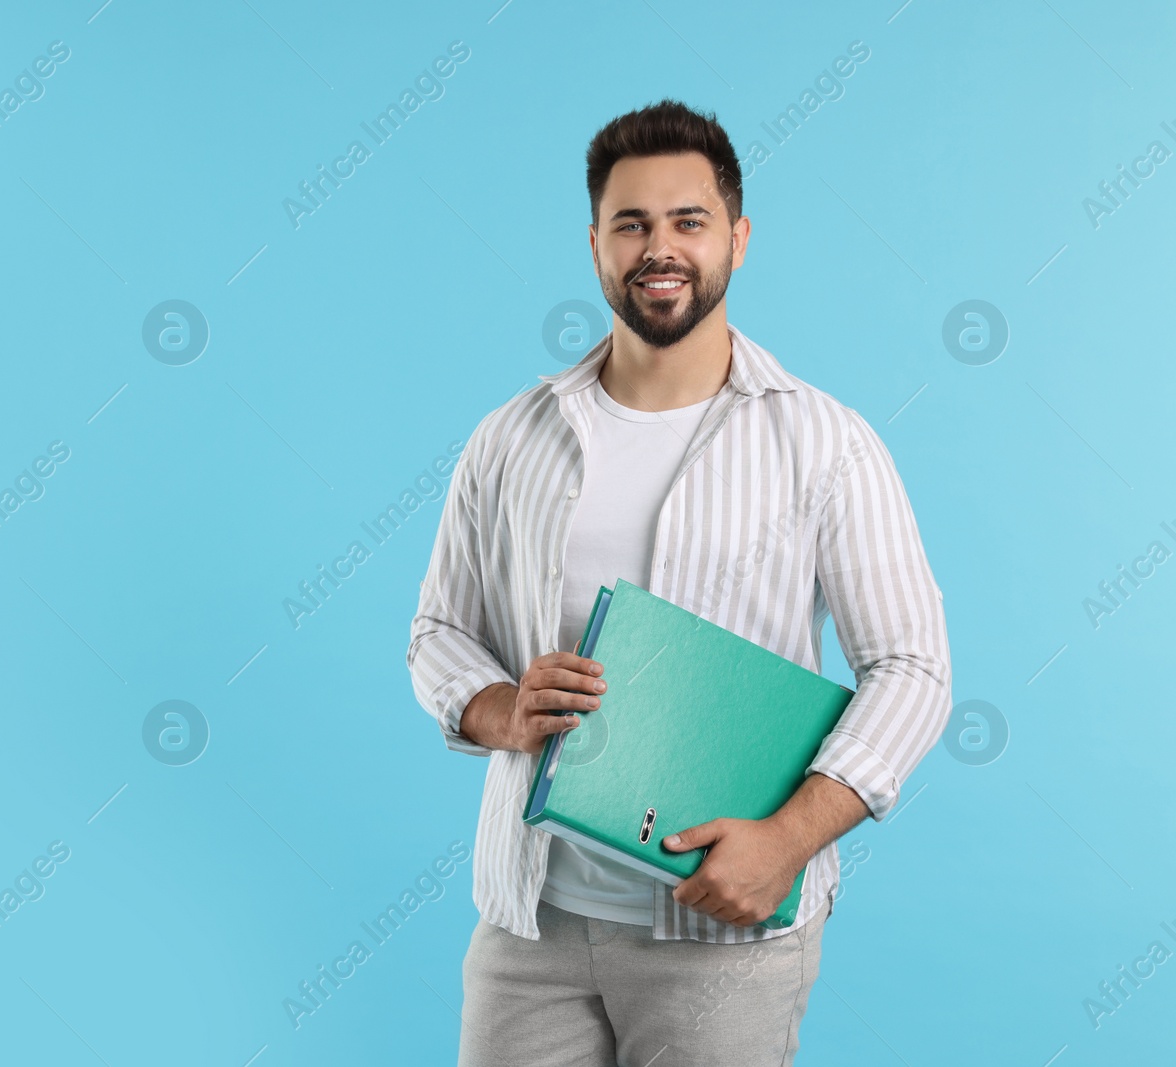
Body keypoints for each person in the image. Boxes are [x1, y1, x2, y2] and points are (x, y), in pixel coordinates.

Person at [406, 99, 952, 1066]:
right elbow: (439, 630)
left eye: (688, 220)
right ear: (595, 246)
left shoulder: (826, 443)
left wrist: (788, 839)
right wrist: (498, 707)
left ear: (738, 238)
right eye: (632, 223)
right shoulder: (510, 437)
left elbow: (912, 669)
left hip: (724, 935)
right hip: (531, 923)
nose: (661, 247)